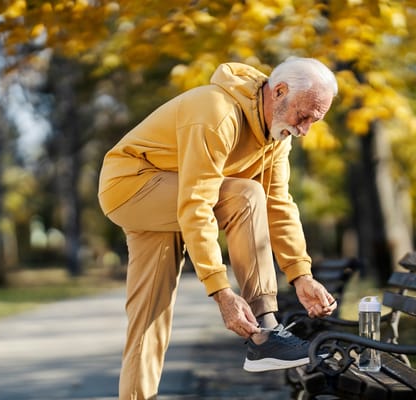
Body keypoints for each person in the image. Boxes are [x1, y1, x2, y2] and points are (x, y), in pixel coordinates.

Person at [98, 56, 339, 399]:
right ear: (279, 91)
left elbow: (279, 205)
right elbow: (197, 205)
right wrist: (221, 291)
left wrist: (301, 275)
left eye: (314, 121)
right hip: (131, 185)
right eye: (303, 116)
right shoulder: (218, 112)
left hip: (169, 193)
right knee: (245, 194)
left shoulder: (276, 138)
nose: (304, 130)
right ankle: (266, 332)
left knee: (150, 318)